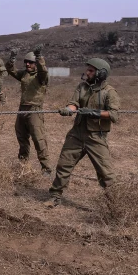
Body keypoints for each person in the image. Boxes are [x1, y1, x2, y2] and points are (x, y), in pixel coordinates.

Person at [45, 58, 120, 208]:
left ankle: (114, 205)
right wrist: (68, 110)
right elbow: (74, 103)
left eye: (91, 71)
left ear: (101, 73)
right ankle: (55, 196)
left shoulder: (109, 92)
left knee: (106, 173)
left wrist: (94, 113)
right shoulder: (82, 87)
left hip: (96, 137)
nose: (87, 73)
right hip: (77, 133)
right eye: (88, 70)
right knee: (63, 165)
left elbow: (114, 115)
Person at [5, 48, 52, 174]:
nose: (27, 64)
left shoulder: (41, 77)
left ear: (36, 63)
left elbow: (44, 71)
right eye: (26, 62)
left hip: (34, 110)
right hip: (22, 110)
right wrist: (12, 59)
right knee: (22, 137)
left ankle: (46, 168)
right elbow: (11, 70)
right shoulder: (24, 74)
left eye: (30, 62)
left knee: (38, 139)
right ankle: (23, 164)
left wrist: (39, 56)